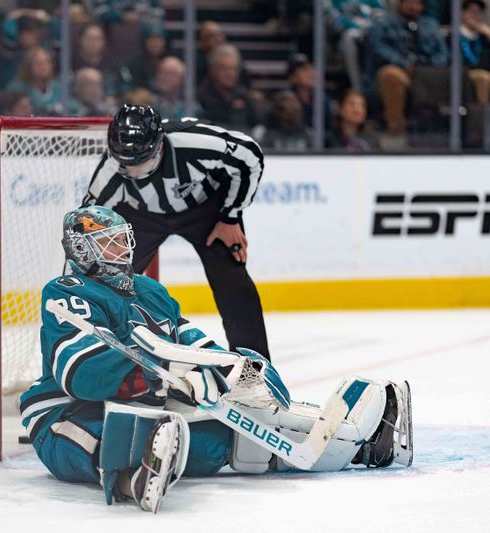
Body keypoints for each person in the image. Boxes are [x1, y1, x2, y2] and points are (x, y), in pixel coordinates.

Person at [21, 204, 414, 513]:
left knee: (229, 437)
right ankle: (130, 477)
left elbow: (191, 340)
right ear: (81, 250)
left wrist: (231, 368)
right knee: (116, 432)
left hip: (151, 407)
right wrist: (159, 375)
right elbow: (81, 373)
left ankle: (361, 444)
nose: (122, 250)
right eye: (109, 243)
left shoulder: (149, 290)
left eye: (123, 240)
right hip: (68, 414)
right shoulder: (68, 290)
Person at [82, 104, 269, 357]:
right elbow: (84, 233)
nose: (132, 172)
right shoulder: (110, 174)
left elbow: (250, 155)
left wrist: (230, 216)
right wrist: (82, 282)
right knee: (107, 281)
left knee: (233, 281)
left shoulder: (196, 143)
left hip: (207, 210)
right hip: (142, 216)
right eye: (123, 164)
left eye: (141, 162)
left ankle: (255, 368)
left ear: (159, 145)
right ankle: (95, 357)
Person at [364, 0, 449, 134]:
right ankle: (397, 128)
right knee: (391, 75)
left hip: (427, 73)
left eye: (417, 3)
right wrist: (404, 64)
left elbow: (443, 53)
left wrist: (429, 66)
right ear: (400, 3)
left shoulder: (431, 25)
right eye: (409, 2)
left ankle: (457, 131)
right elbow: (378, 48)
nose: (413, 7)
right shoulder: (383, 24)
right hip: (399, 71)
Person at [197, 44, 260, 134]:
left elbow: (256, 126)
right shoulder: (201, 98)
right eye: (224, 69)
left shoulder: (243, 96)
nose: (230, 74)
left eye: (233, 69)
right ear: (212, 70)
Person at [456, 0, 490, 104]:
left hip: (486, 74)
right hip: (462, 75)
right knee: (483, 78)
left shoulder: (484, 38)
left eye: (479, 13)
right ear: (462, 13)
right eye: (472, 12)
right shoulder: (454, 37)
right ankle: (481, 116)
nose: (476, 16)